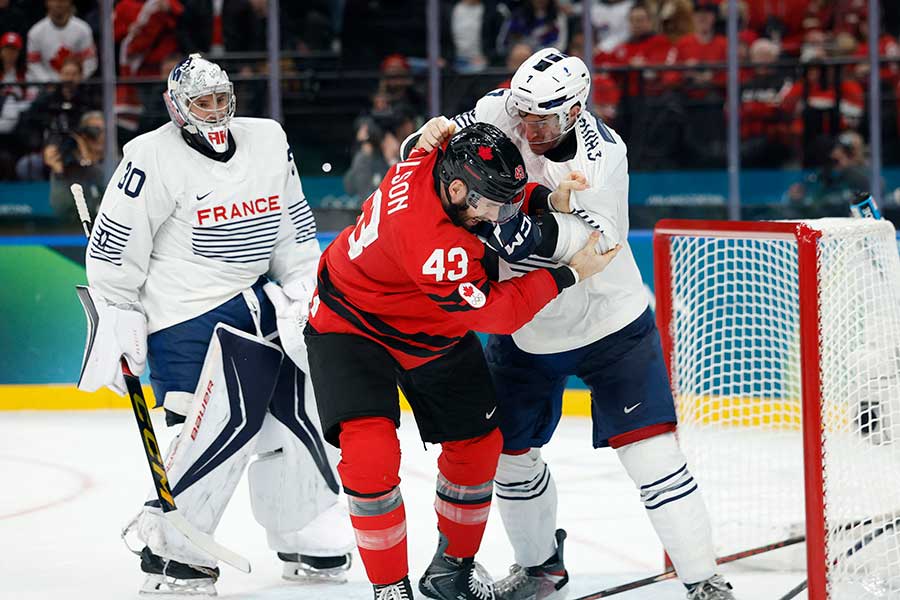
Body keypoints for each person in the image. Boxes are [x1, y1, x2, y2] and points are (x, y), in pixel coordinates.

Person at [404, 48, 737, 600]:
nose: (529, 129)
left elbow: (580, 248)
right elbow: (430, 159)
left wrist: (503, 225)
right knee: (508, 456)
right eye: (524, 115)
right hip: (527, 326)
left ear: (576, 110)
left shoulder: (602, 159)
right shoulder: (501, 109)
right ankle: (540, 569)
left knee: (653, 457)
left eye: (544, 120)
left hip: (610, 323)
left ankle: (705, 581)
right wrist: (427, 137)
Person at [304, 121, 621, 600]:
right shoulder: (435, 244)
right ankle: (390, 589)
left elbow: (442, 152)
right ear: (456, 191)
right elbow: (499, 313)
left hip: (428, 322)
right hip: (351, 322)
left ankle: (451, 571)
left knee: (477, 445)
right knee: (370, 458)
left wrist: (543, 199)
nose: (499, 216)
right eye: (492, 205)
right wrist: (567, 275)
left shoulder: (436, 158)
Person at [76, 54, 354, 595]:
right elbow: (114, 248)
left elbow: (294, 222)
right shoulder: (148, 157)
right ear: (177, 107)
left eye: (221, 99)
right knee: (212, 427)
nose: (214, 110)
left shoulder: (268, 139)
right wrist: (119, 311)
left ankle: (303, 526)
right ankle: (174, 546)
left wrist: (302, 282)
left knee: (299, 411)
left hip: (259, 299)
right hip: (185, 313)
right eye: (202, 102)